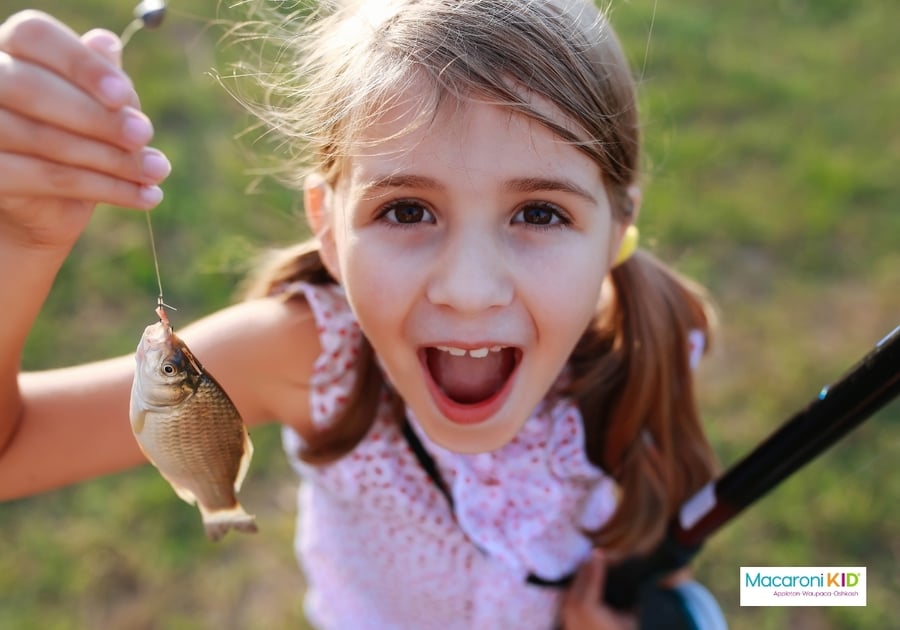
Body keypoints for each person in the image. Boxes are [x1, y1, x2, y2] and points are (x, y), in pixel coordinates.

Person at [0, 1, 729, 628]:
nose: (469, 291)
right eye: (406, 209)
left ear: (616, 226)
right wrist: (22, 244)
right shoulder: (308, 355)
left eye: (539, 213)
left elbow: (668, 557)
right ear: (327, 225)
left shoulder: (651, 342)